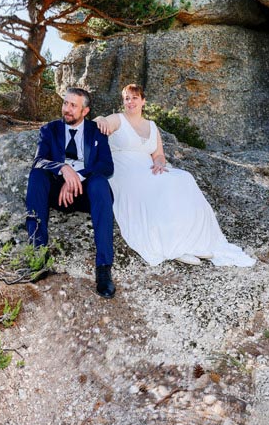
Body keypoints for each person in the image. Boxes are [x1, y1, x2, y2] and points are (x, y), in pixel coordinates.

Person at [91, 84, 256, 267]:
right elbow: (100, 120)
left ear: (143, 101)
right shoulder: (118, 119)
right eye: (127, 98)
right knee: (161, 186)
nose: (130, 102)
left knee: (184, 179)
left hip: (148, 168)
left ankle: (194, 241)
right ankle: (174, 246)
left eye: (135, 98)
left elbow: (159, 154)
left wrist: (159, 163)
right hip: (124, 171)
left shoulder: (152, 126)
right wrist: (101, 120)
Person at [24, 87, 118, 298]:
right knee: (37, 176)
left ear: (85, 111)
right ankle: (37, 256)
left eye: (73, 105)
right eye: (65, 103)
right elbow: (39, 160)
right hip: (57, 192)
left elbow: (107, 166)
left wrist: (78, 176)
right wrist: (63, 169)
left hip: (86, 194)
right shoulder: (50, 129)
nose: (67, 109)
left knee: (100, 183)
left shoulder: (96, 131)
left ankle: (104, 269)